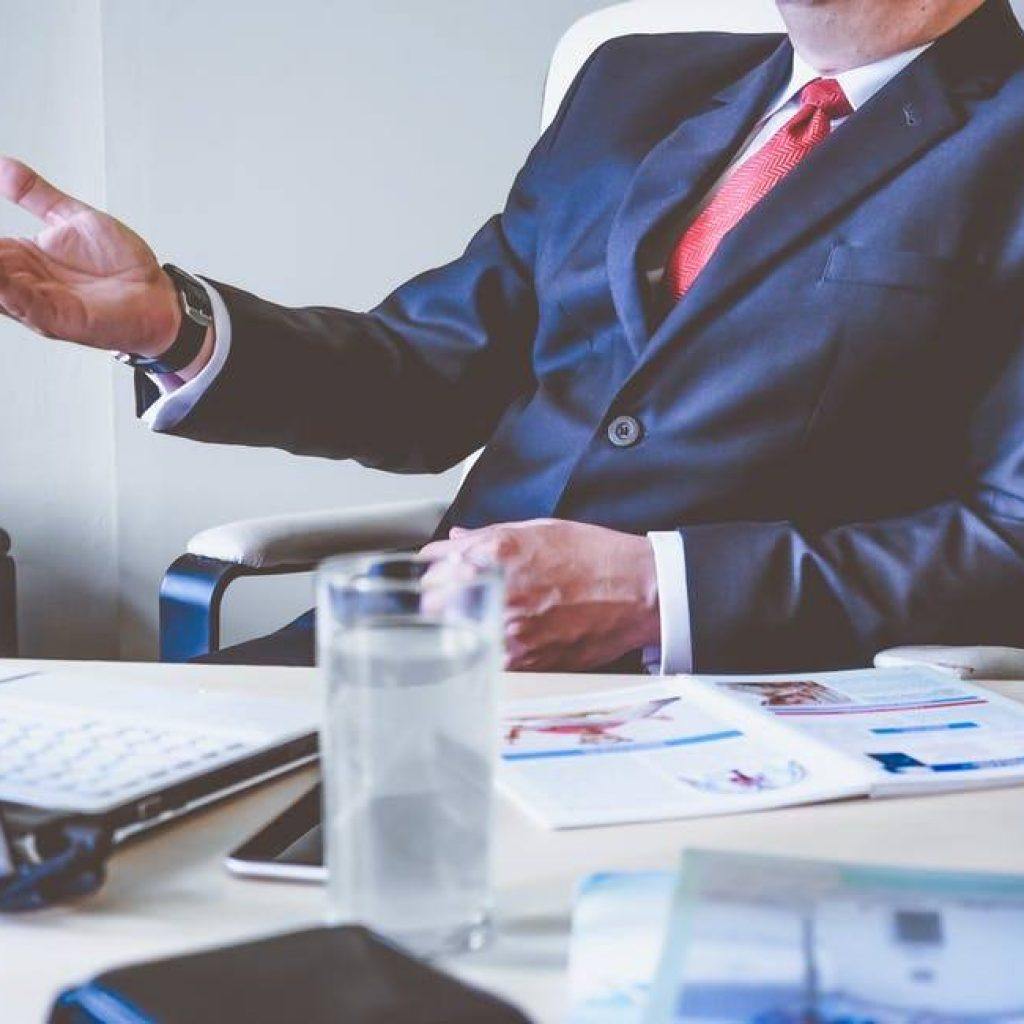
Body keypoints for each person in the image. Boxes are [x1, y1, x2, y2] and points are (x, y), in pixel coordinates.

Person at [1, 0, 1022, 674]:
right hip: (421, 651)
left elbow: (1007, 538)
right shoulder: (634, 83)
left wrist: (656, 593)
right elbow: (430, 376)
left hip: (748, 699)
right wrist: (170, 323)